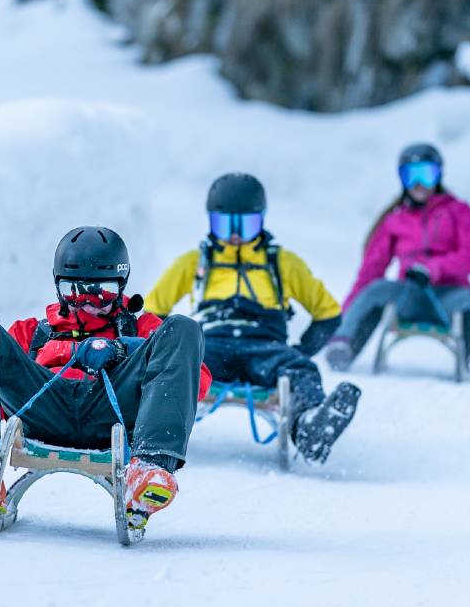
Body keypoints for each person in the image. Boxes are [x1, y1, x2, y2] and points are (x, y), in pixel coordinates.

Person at [0, 226, 211, 531]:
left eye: (103, 293)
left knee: (183, 327)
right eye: (75, 291)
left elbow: (197, 380)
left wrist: (123, 349)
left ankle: (151, 468)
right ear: (59, 287)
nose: (87, 302)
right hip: (44, 407)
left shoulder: (144, 329)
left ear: (121, 286)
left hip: (111, 411)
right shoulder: (32, 332)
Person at [145, 173, 361, 464]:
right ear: (211, 222)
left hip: (264, 345)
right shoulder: (195, 262)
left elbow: (328, 313)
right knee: (176, 366)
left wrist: (300, 351)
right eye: (225, 225)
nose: (235, 235)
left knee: (299, 369)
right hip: (212, 344)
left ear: (261, 220)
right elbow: (153, 312)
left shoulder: (281, 263)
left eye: (245, 226)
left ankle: (310, 426)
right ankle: (152, 433)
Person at [323, 143, 470, 376]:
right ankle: (342, 343)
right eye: (411, 175)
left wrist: (434, 269)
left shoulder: (458, 211)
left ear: (439, 175)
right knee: (374, 290)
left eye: (427, 174)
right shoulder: (395, 219)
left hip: (448, 296)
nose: (419, 183)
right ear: (401, 179)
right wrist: (346, 314)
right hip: (407, 297)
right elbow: (371, 269)